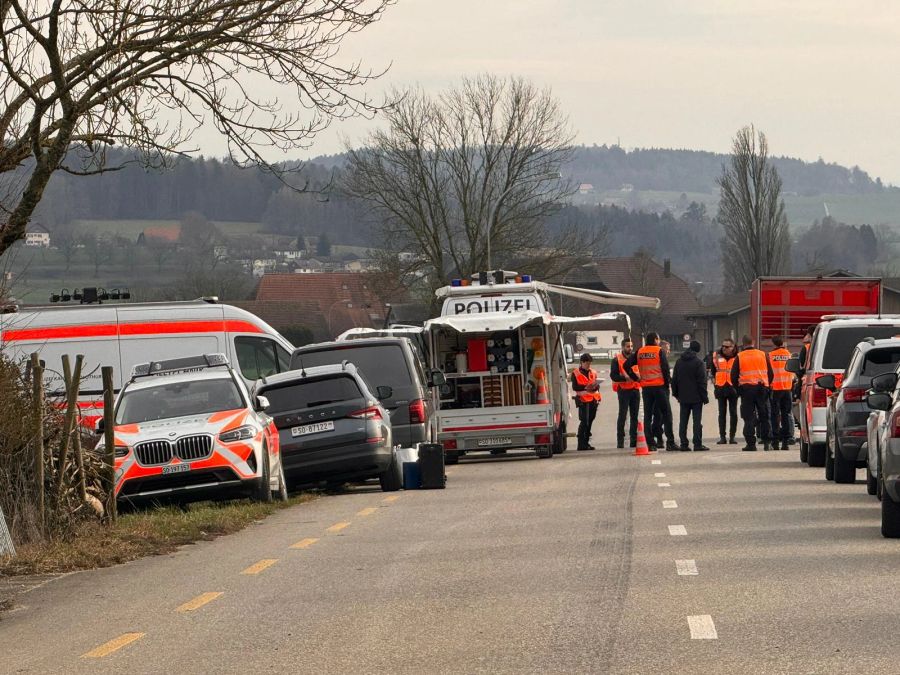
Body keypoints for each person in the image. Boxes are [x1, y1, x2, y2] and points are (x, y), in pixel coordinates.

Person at [625, 332, 676, 452]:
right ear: (655, 340)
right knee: (666, 414)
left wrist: (635, 378)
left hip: (646, 388)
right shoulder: (659, 351)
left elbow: (627, 365)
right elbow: (665, 369)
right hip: (659, 387)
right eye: (658, 339)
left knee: (648, 416)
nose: (658, 341)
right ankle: (670, 442)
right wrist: (668, 383)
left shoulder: (640, 352)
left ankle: (650, 443)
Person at [731, 335, 774, 451]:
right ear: (753, 342)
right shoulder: (763, 354)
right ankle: (767, 442)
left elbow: (733, 376)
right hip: (762, 389)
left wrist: (738, 390)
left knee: (748, 417)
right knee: (764, 416)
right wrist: (767, 385)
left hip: (747, 390)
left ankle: (751, 444)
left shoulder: (739, 357)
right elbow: (770, 374)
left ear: (743, 343)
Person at [671, 340, 710, 451]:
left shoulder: (679, 362)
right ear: (698, 350)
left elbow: (674, 380)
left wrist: (676, 394)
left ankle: (684, 444)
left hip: (683, 397)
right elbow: (702, 382)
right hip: (696, 397)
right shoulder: (699, 363)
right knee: (697, 422)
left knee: (683, 421)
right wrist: (704, 397)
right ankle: (697, 444)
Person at [609, 337, 641, 448]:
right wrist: (625, 378)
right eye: (628, 346)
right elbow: (613, 376)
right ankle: (620, 440)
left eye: (631, 346)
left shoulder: (635, 358)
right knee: (622, 415)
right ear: (623, 347)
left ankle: (634, 440)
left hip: (635, 389)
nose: (630, 348)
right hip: (623, 390)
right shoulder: (616, 359)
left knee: (634, 416)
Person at [710, 338, 739, 444]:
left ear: (733, 347)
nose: (724, 348)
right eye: (723, 346)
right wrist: (715, 385)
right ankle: (722, 437)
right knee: (722, 413)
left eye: (727, 346)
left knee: (733, 413)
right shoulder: (716, 356)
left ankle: (732, 437)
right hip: (721, 387)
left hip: (733, 387)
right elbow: (713, 372)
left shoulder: (737, 357)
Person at [571, 353, 602, 451]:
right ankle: (581, 444)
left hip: (593, 399)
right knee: (584, 421)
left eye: (590, 363)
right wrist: (586, 387)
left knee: (590, 421)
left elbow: (597, 385)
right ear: (582, 362)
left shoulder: (593, 372)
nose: (589, 365)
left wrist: (596, 386)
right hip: (583, 400)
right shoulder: (575, 373)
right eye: (587, 363)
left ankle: (586, 443)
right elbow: (575, 387)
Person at [768, 335, 793, 451]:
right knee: (786, 415)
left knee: (774, 415)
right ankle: (786, 442)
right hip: (787, 388)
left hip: (775, 389)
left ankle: (775, 441)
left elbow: (768, 372)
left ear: (773, 344)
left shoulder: (770, 355)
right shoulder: (788, 354)